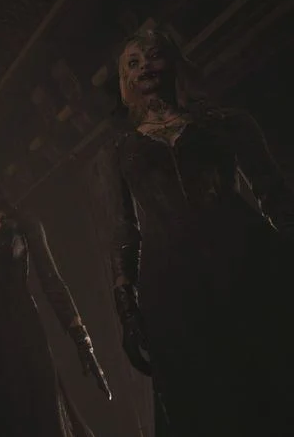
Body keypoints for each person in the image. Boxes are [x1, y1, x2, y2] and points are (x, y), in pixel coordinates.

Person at [105, 29, 294, 435]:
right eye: (133, 63)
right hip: (173, 291)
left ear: (173, 61)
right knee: (204, 405)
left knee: (273, 386)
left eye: (153, 55)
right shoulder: (121, 149)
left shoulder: (227, 123)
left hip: (250, 269)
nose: (144, 67)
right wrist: (126, 307)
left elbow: (276, 196)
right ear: (125, 79)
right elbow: (124, 230)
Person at [0, 151, 110, 437]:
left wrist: (83, 341)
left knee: (35, 413)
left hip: (23, 330)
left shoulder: (21, 223)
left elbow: (52, 281)